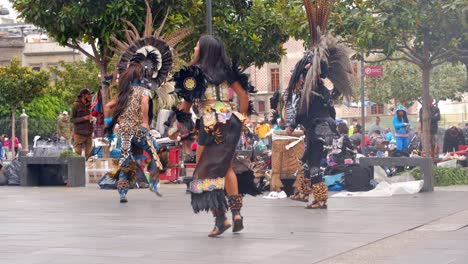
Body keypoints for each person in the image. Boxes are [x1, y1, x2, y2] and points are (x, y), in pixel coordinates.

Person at [174, 35, 257, 237]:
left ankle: (221, 219)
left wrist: (179, 119)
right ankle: (236, 214)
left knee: (204, 172)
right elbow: (244, 96)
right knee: (227, 168)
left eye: (196, 45)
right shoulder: (226, 72)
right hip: (230, 123)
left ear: (204, 50)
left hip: (209, 125)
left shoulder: (194, 75)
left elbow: (185, 106)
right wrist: (243, 119)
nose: (194, 48)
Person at [104, 11, 173, 203]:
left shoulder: (123, 95)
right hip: (139, 130)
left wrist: (110, 126)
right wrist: (144, 122)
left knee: (125, 161)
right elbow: (144, 104)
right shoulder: (143, 91)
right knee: (156, 150)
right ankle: (153, 181)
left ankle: (123, 192)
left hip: (124, 131)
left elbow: (109, 107)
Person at [286, 17, 353, 209]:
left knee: (314, 162)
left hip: (317, 130)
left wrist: (291, 125)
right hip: (322, 129)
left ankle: (321, 198)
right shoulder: (322, 90)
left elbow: (302, 111)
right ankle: (303, 192)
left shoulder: (310, 90)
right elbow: (330, 112)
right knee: (308, 159)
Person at [71, 88, 94, 159]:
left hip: (89, 133)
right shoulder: (76, 105)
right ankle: (77, 169)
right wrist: (84, 118)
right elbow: (72, 119)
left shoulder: (91, 105)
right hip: (79, 134)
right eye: (88, 94)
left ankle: (89, 169)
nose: (90, 96)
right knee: (77, 154)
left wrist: (94, 118)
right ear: (83, 95)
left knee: (89, 155)